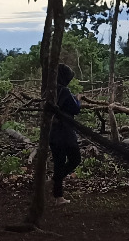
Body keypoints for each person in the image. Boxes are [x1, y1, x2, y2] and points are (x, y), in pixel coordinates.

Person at [50, 63, 82, 205]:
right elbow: (75, 109)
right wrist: (78, 100)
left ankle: (58, 196)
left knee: (59, 162)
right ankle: (55, 181)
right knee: (75, 159)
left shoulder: (50, 91)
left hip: (53, 132)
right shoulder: (65, 92)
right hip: (65, 132)